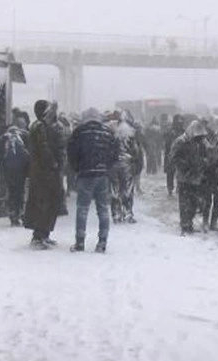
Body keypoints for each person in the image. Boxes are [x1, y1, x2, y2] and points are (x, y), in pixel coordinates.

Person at [67, 107, 119, 253]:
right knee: (103, 209)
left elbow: (71, 152)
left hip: (85, 174)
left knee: (82, 209)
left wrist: (77, 167)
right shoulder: (107, 132)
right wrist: (106, 167)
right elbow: (115, 153)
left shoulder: (79, 132)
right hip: (102, 175)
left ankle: (80, 241)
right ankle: (102, 242)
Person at [24, 100, 64, 250]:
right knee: (43, 203)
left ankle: (44, 234)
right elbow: (44, 148)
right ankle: (39, 235)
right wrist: (53, 163)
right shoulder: (40, 127)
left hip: (42, 172)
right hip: (43, 173)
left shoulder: (41, 126)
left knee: (46, 203)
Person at [169, 120, 209, 234]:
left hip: (196, 177)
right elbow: (173, 158)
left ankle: (189, 223)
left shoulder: (200, 143)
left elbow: (205, 155)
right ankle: (185, 225)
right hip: (184, 177)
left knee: (194, 202)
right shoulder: (180, 142)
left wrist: (203, 162)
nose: (200, 139)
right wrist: (186, 165)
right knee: (184, 202)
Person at [109, 110, 144, 224]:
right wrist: (138, 165)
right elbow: (136, 151)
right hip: (127, 164)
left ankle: (116, 214)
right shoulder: (132, 132)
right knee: (127, 189)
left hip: (113, 164)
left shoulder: (112, 131)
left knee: (115, 189)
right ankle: (128, 213)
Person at [0, 125, 30, 227]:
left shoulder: (4, 139)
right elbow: (29, 154)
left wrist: (4, 168)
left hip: (9, 170)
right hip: (21, 170)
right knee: (20, 192)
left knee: (11, 192)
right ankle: (20, 213)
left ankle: (12, 215)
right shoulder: (23, 136)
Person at [163, 114, 185, 196]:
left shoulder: (183, 132)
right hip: (171, 155)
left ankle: (179, 187)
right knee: (170, 173)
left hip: (181, 155)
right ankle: (170, 188)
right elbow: (166, 144)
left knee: (180, 172)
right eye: (178, 122)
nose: (179, 124)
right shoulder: (170, 132)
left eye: (180, 122)